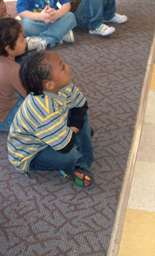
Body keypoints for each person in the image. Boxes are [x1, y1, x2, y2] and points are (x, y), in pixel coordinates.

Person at [8, 51, 94, 187]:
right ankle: (81, 162)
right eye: (62, 67)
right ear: (50, 85)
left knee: (81, 117)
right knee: (69, 155)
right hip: (32, 153)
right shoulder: (44, 111)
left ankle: (78, 144)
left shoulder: (63, 86)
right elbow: (65, 147)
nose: (67, 66)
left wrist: (75, 127)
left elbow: (81, 104)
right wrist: (76, 127)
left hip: (55, 129)